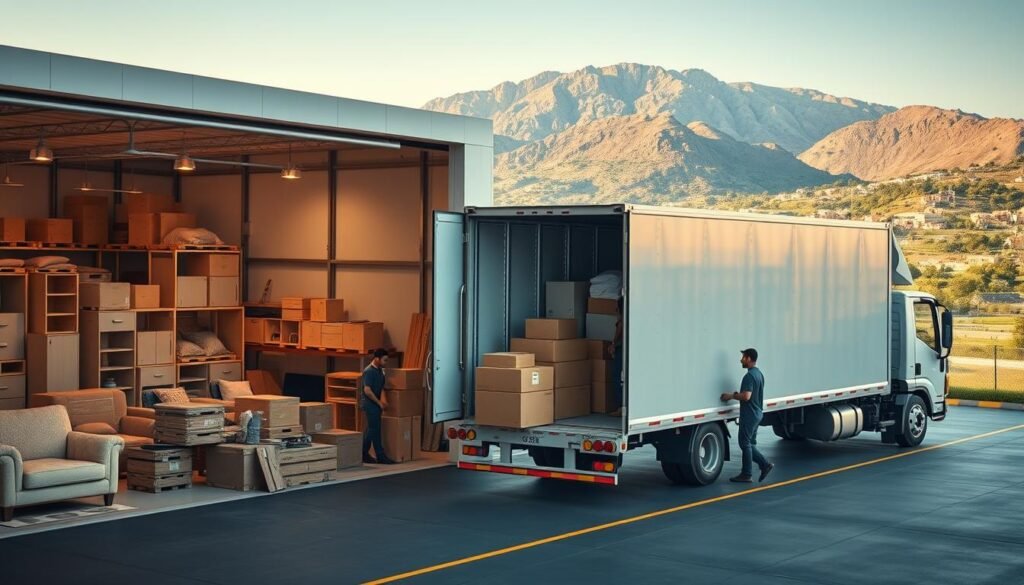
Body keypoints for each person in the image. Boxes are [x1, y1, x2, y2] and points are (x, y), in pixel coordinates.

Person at [720, 348, 774, 483]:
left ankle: (750, 472)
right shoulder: (759, 374)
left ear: (749, 358)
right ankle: (761, 466)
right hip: (757, 413)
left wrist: (731, 396)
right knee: (750, 443)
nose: (741, 360)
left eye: (743, 357)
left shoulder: (749, 376)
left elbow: (746, 396)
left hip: (750, 415)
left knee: (744, 443)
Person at [361, 348, 395, 464]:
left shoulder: (380, 371)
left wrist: (384, 401)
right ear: (376, 359)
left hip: (376, 404)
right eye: (384, 360)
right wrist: (379, 402)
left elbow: (381, 388)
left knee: (373, 429)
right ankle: (375, 454)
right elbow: (367, 390)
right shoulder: (369, 371)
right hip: (370, 404)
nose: (386, 362)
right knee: (374, 429)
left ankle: (367, 454)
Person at [607, 296, 625, 416]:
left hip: (622, 348)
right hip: (626, 348)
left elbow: (620, 327)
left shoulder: (622, 320)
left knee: (616, 375)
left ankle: (621, 406)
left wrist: (613, 344)